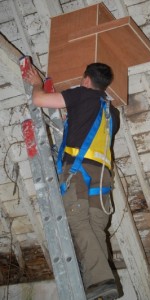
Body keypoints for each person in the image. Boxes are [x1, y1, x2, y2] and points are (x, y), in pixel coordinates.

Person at [25, 62, 120, 300]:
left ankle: (101, 281)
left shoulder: (81, 94)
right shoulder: (112, 112)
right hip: (102, 177)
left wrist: (37, 84)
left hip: (79, 172)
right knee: (95, 227)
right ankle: (97, 287)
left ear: (86, 79)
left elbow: (40, 100)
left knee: (78, 222)